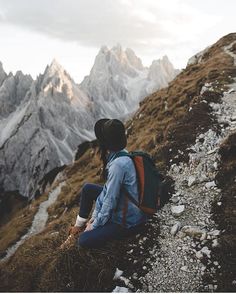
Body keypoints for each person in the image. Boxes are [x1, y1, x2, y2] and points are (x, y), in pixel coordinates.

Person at [60, 119, 147, 250]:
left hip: (129, 221)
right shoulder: (122, 154)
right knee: (88, 188)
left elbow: (109, 202)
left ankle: (82, 231)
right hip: (128, 204)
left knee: (84, 241)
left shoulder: (117, 166)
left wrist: (93, 226)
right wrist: (94, 218)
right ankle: (78, 226)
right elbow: (107, 192)